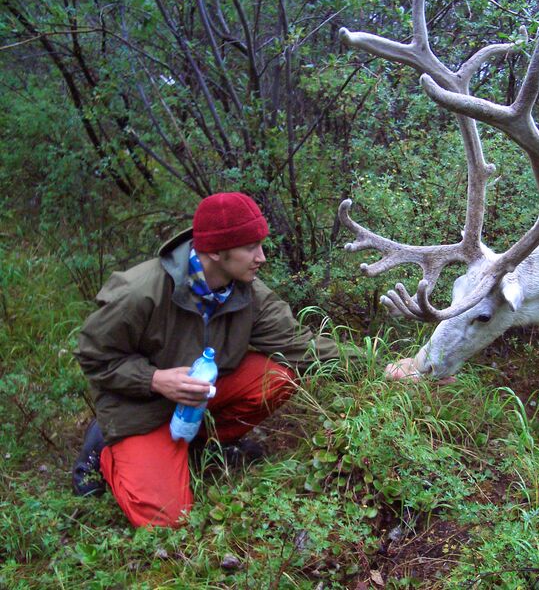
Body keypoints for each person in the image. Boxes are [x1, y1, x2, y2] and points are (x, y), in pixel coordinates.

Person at [72, 192, 339, 528]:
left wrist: (385, 365)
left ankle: (200, 446)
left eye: (261, 244)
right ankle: (106, 451)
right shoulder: (141, 292)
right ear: (214, 251)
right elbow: (93, 357)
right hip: (140, 408)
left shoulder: (246, 291)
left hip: (199, 399)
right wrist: (155, 380)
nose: (262, 257)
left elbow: (300, 345)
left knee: (279, 376)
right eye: (250, 247)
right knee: (166, 519)